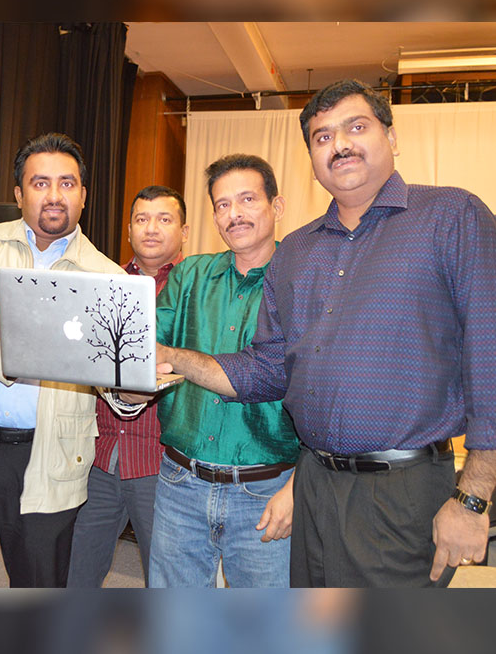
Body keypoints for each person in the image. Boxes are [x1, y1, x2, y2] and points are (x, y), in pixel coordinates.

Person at [157, 79, 496, 587]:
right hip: (313, 485)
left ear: (391, 136)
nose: (339, 144)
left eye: (356, 127)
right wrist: (174, 357)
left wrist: (473, 499)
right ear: (312, 159)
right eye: (322, 137)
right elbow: (267, 370)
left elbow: (489, 357)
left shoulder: (451, 216)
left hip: (400, 489)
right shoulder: (297, 250)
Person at [0, 132, 125, 588]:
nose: (54, 195)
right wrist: (17, 359)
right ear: (18, 193)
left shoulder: (107, 277)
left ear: (84, 195)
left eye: (67, 183)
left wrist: (131, 389)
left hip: (52, 460)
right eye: (40, 183)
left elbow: (111, 374)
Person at [148, 154, 300, 588]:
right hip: (180, 483)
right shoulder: (189, 276)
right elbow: (147, 347)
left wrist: (298, 488)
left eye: (248, 199)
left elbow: (324, 396)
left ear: (277, 205)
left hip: (266, 492)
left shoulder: (303, 281)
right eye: (222, 204)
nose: (235, 214)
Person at [67, 185, 189, 587]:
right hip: (99, 455)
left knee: (167, 581)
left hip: (162, 462)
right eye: (141, 219)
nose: (151, 228)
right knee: (77, 573)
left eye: (164, 219)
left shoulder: (196, 289)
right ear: (129, 230)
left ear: (184, 231)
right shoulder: (103, 281)